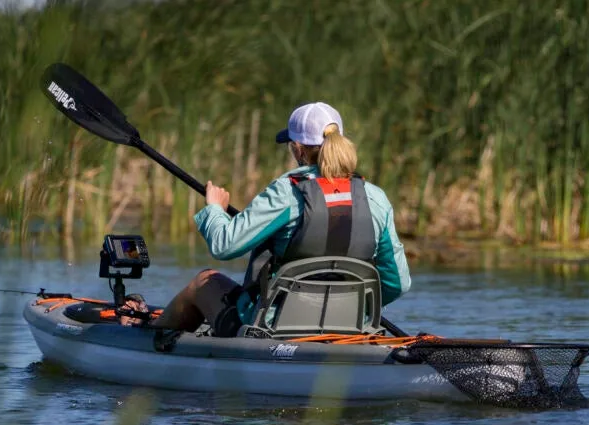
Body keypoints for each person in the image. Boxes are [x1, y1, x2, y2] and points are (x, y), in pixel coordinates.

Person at [146, 102, 411, 336]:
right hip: (350, 328)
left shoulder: (287, 193)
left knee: (204, 281)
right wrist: (351, 311)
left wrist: (215, 208)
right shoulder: (375, 198)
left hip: (274, 328)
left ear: (298, 150)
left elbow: (224, 245)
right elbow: (398, 282)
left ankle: (151, 348)